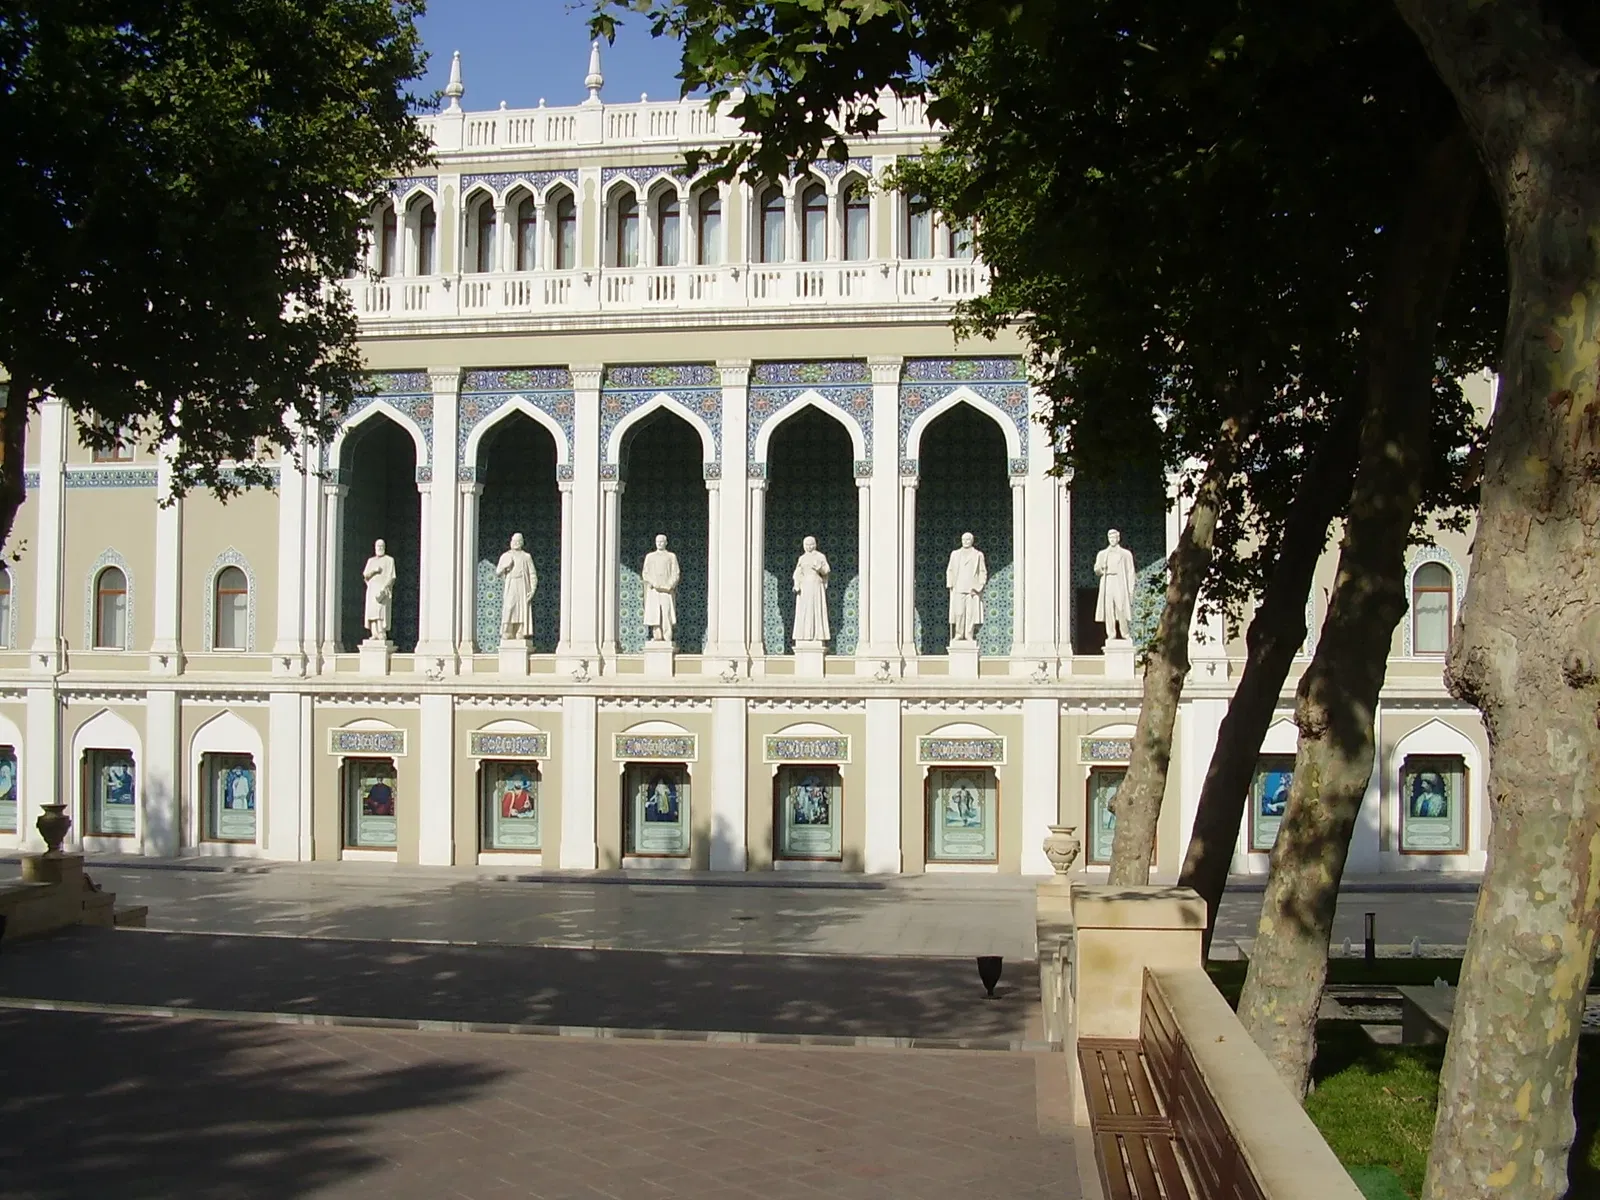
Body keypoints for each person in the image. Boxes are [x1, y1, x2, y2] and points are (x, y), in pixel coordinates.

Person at [1094, 528, 1137, 641]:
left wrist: (1130, 589)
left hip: (1119, 582)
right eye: (1110, 537)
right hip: (1108, 581)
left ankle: (1125, 633)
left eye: (1114, 537)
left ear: (1118, 538)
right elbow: (1096, 569)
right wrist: (1101, 569)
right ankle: (1111, 634)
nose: (1112, 540)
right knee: (1109, 609)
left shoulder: (1126, 554)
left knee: (1121, 608)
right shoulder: (1102, 554)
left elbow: (1130, 572)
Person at [945, 532, 988, 643]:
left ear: (972, 541)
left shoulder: (978, 555)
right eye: (963, 539)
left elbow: (982, 572)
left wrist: (979, 587)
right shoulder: (955, 554)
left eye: (968, 539)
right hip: (958, 587)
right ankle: (959, 634)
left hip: (971, 590)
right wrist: (950, 583)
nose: (965, 541)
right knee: (959, 613)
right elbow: (950, 569)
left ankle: (969, 634)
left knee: (970, 614)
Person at [495, 532, 538, 644]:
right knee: (509, 607)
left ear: (522, 543)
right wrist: (505, 566)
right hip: (511, 584)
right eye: (514, 541)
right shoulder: (506, 556)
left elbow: (532, 573)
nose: (516, 543)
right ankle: (507, 631)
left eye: (518, 541)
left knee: (521, 609)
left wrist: (532, 590)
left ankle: (520, 631)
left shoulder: (526, 557)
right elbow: (498, 572)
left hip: (523, 585)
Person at [641, 534, 681, 643]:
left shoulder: (671, 556)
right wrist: (653, 583)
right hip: (654, 590)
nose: (659, 543)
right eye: (657, 541)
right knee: (655, 614)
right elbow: (645, 573)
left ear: (666, 543)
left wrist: (670, 585)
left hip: (666, 591)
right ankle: (657, 635)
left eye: (662, 541)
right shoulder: (650, 556)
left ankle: (667, 636)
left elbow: (675, 572)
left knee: (666, 613)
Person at [791, 536, 831, 643]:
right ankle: (804, 634)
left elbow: (826, 570)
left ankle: (817, 634)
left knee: (816, 609)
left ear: (815, 544)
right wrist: (797, 584)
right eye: (807, 545)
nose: (809, 547)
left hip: (817, 586)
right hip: (805, 588)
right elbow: (797, 573)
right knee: (805, 610)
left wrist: (819, 568)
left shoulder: (820, 556)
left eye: (811, 544)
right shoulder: (802, 558)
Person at [362, 538, 397, 642]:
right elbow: (366, 575)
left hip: (382, 589)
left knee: (381, 612)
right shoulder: (371, 561)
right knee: (372, 613)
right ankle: (374, 633)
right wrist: (375, 571)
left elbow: (392, 576)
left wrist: (386, 587)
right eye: (378, 546)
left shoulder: (389, 560)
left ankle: (381, 632)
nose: (380, 548)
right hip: (372, 588)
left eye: (382, 546)